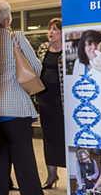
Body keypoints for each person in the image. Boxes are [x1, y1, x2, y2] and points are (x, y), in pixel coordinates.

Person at [0, 0, 43, 195]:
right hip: (15, 112)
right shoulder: (17, 38)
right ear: (7, 20)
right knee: (25, 166)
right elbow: (35, 68)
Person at [36, 18, 66, 188]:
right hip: (45, 101)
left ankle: (72, 175)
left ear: (63, 32)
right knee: (48, 139)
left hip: (62, 102)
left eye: (55, 29)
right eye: (49, 28)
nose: (51, 32)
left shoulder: (69, 50)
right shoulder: (42, 49)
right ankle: (51, 176)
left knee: (64, 137)